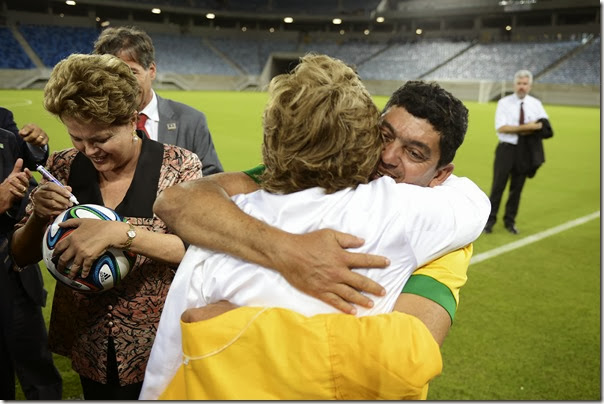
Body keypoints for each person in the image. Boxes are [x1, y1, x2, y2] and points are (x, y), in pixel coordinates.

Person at [141, 55, 489, 400]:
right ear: (363, 133)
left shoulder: (229, 218)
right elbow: (178, 201)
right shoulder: (414, 214)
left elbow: (168, 358)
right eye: (384, 136)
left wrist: (237, 329)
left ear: (442, 175)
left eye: (414, 153)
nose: (388, 157)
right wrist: (287, 249)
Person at [9, 53, 202, 400]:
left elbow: (194, 250)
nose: (89, 150)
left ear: (131, 120)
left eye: (101, 138)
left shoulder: (179, 165)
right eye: (76, 137)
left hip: (161, 345)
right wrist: (38, 216)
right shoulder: (63, 165)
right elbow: (19, 255)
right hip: (89, 345)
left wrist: (122, 235)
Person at [92, 25, 224, 176]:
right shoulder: (93, 124)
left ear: (152, 71)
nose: (123, 83)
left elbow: (212, 178)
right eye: (113, 74)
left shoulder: (191, 121)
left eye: (132, 72)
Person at [0, 108, 62, 400]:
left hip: (14, 270)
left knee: (38, 367)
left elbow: (26, 164)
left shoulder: (1, 118)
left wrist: (38, 146)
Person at [483, 69, 551, 235]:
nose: (522, 87)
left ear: (530, 86)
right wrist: (528, 127)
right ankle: (489, 222)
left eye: (525, 84)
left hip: (524, 151)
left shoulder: (536, 104)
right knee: (498, 187)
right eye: (519, 83)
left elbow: (544, 126)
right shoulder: (504, 102)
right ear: (514, 85)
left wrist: (523, 128)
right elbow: (502, 128)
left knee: (517, 189)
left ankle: (510, 222)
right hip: (506, 149)